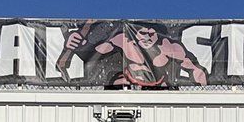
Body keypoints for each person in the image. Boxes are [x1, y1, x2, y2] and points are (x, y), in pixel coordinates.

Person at [64, 21, 208, 88]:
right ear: (136, 33)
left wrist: (200, 80)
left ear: (157, 34)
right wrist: (79, 47)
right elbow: (96, 52)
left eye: (151, 34)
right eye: (143, 33)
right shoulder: (124, 39)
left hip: (158, 84)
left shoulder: (168, 46)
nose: (147, 37)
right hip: (130, 80)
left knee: (166, 86)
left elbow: (192, 67)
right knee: (117, 81)